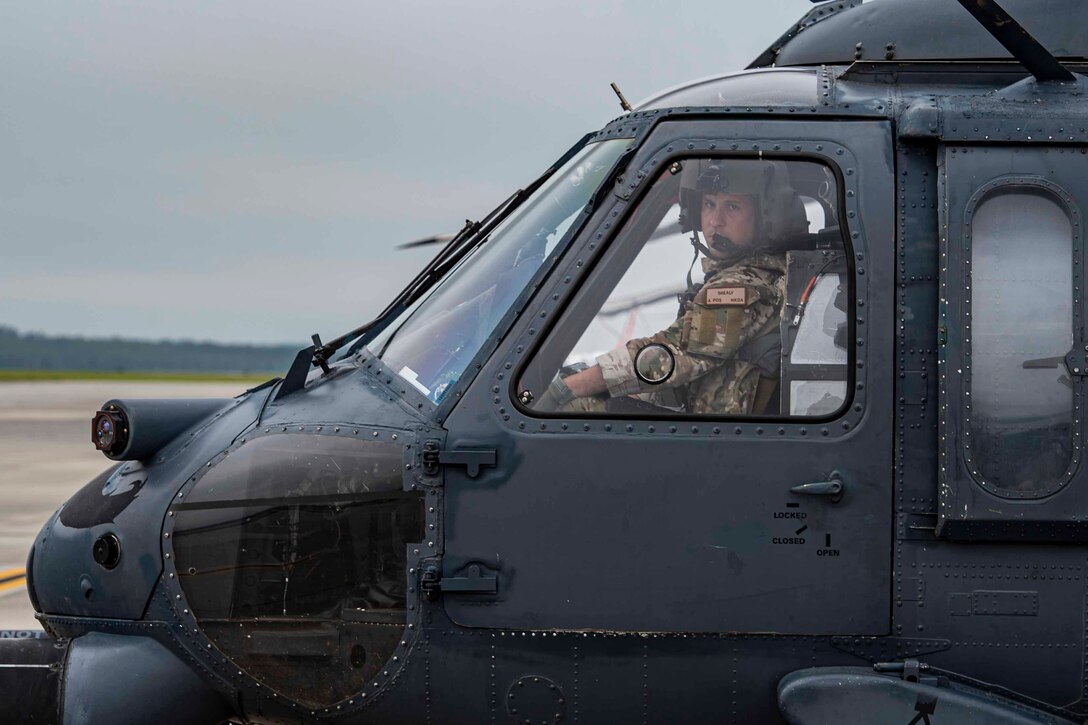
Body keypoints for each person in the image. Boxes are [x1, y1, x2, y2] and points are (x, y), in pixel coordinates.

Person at [537, 158, 808, 415]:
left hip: (713, 442)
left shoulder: (746, 284)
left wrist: (573, 386)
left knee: (578, 407)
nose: (716, 221)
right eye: (709, 204)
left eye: (733, 207)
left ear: (765, 215)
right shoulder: (761, 273)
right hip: (705, 426)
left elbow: (678, 353)